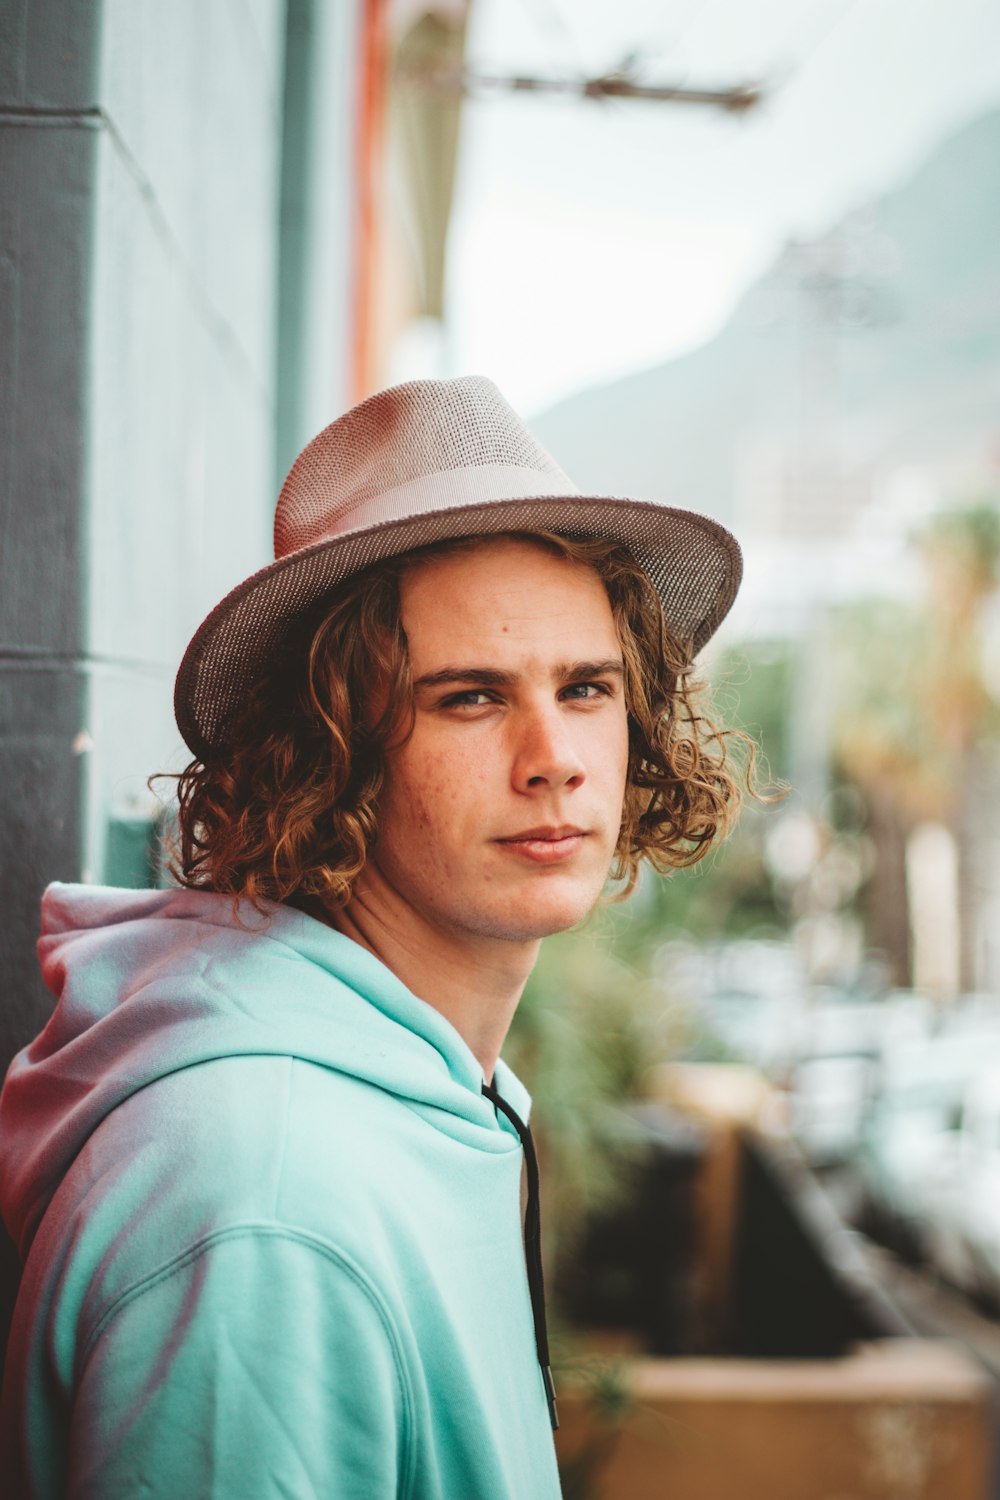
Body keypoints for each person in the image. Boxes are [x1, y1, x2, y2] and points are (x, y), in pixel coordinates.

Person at [0, 376, 749, 1498]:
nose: (555, 755)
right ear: (331, 752)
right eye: (469, 697)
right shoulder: (266, 1203)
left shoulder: (407, 1088)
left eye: (586, 686)